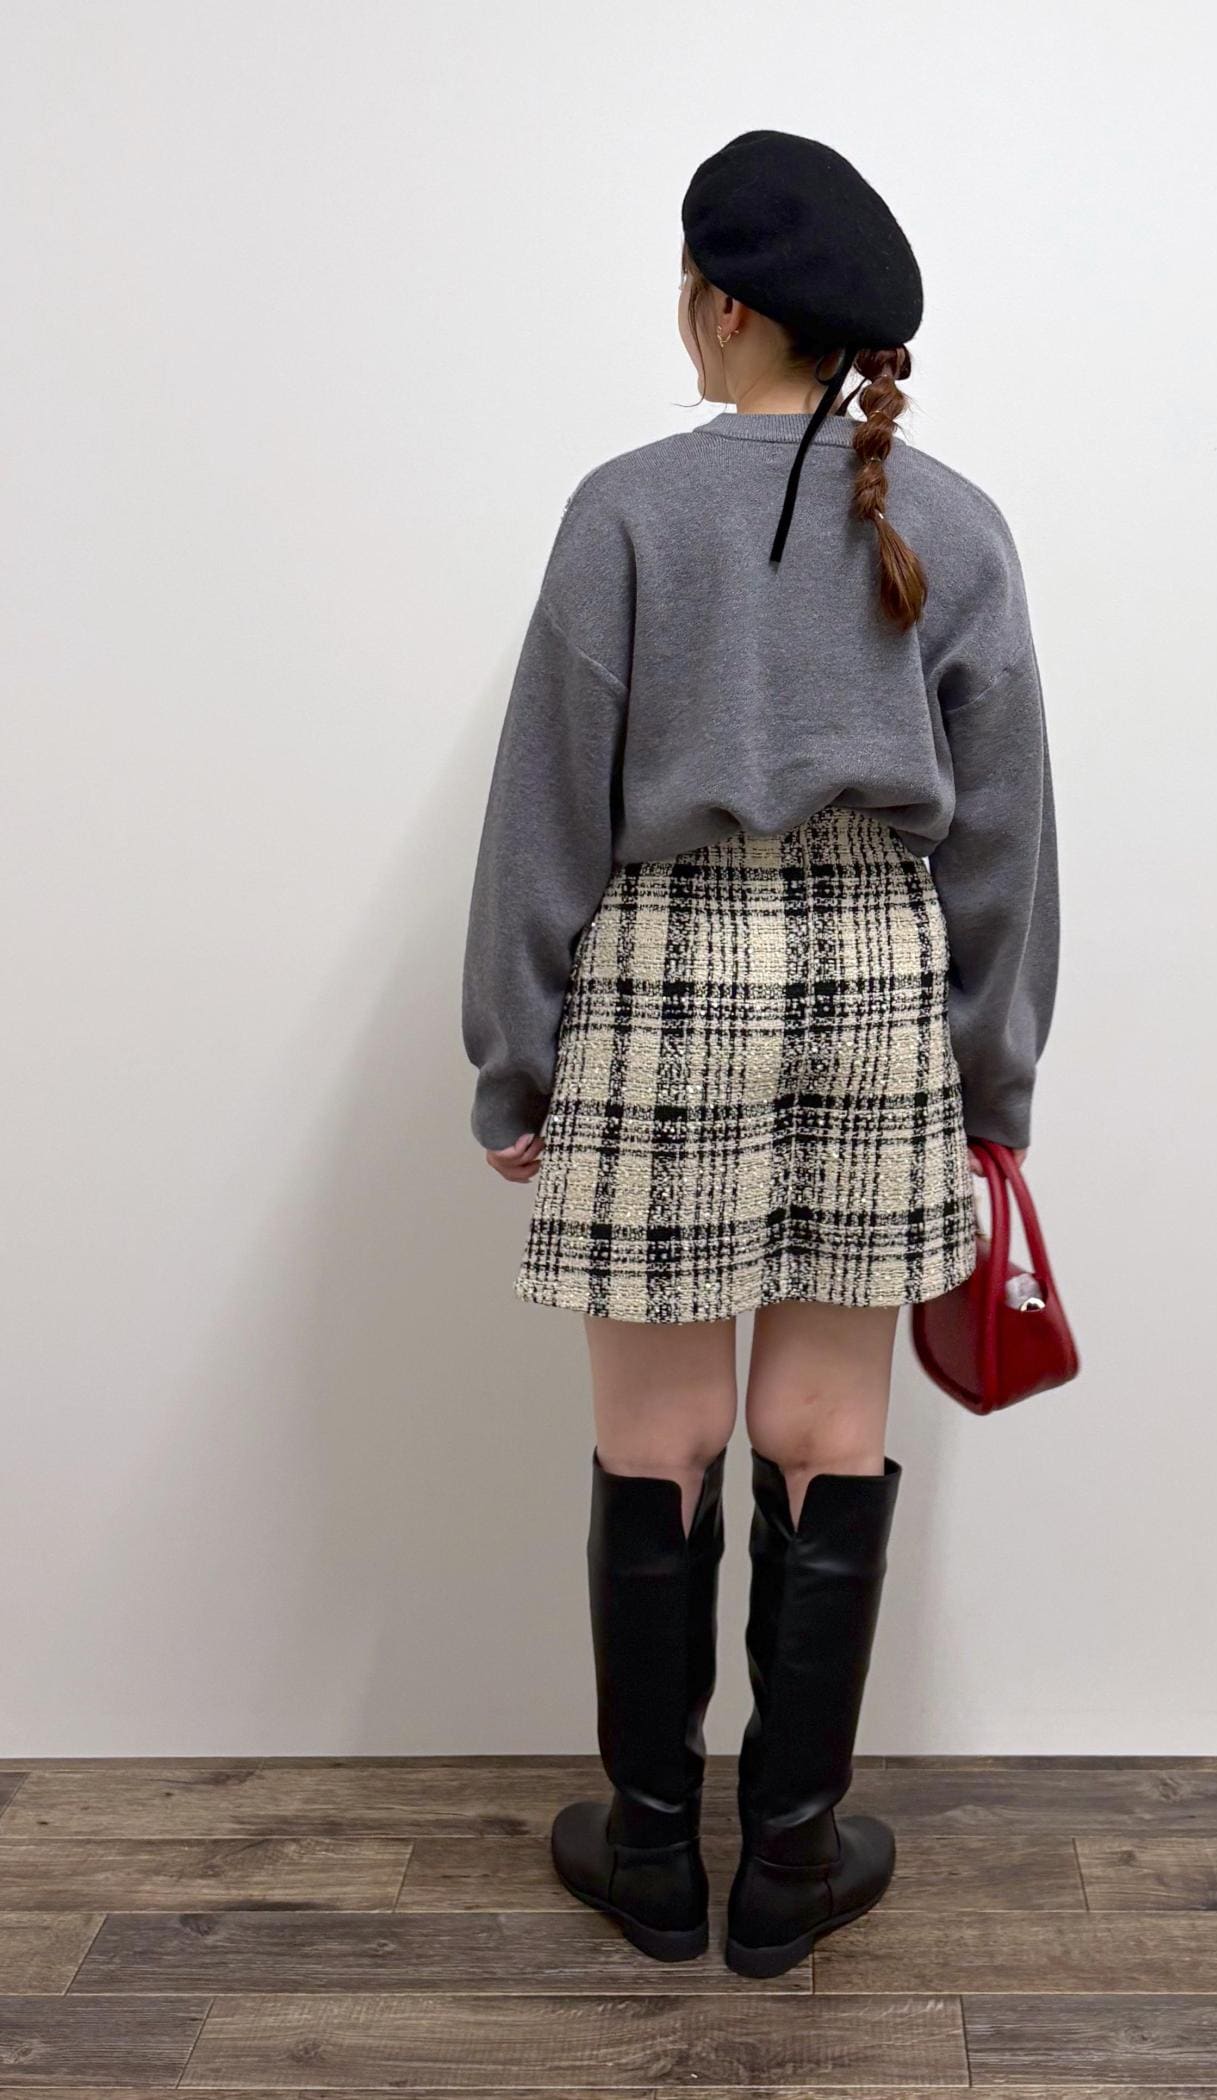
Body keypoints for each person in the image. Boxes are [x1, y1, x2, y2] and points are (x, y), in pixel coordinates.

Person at [461, 129, 1060, 1977]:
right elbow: (1005, 841)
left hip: (664, 969)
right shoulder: (957, 522)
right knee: (825, 1430)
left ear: (719, 307)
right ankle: (788, 1866)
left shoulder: (625, 510)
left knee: (659, 1433)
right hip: (877, 984)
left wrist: (514, 1059)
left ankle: (654, 1854)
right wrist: (993, 1081)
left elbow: (545, 809)